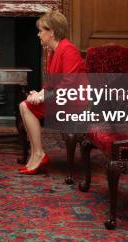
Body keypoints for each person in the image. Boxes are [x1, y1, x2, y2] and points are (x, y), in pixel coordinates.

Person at [18, 10, 85, 174]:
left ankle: (39, 154)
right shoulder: (54, 52)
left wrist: (42, 97)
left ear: (52, 32)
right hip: (62, 100)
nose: (38, 35)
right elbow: (49, 85)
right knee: (24, 105)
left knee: (26, 106)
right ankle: (36, 154)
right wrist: (38, 94)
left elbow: (67, 85)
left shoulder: (69, 50)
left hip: (75, 104)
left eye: (41, 31)